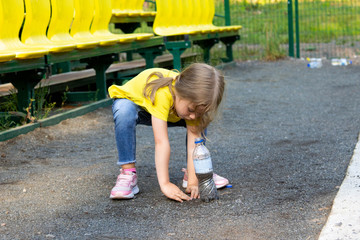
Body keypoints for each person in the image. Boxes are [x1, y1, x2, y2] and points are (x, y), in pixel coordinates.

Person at [108, 63, 229, 202]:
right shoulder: (162, 93)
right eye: (191, 110)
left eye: (199, 111)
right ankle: (128, 173)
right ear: (180, 93)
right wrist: (165, 184)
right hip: (138, 107)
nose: (193, 116)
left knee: (200, 124)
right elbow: (161, 142)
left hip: (172, 111)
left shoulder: (191, 105)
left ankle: (194, 172)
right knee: (123, 110)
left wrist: (193, 183)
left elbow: (193, 144)